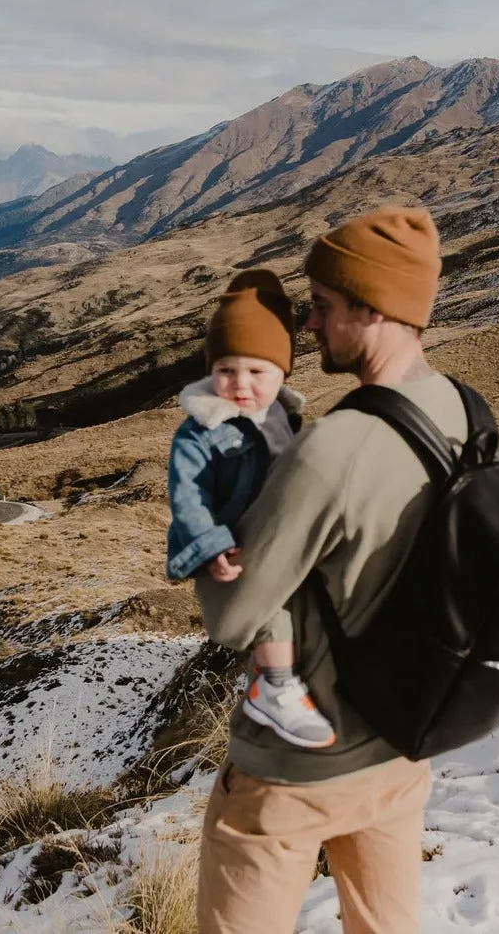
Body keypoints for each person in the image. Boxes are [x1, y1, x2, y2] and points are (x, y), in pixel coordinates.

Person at [195, 206, 463, 934]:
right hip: (399, 750)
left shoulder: (334, 447)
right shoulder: (460, 411)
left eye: (322, 306)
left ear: (372, 310)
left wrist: (212, 509)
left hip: (295, 770)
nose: (308, 326)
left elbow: (231, 615)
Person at [166, 268, 337, 749]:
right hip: (231, 548)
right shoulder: (200, 432)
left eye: (257, 371)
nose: (240, 384)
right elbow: (188, 497)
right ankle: (274, 688)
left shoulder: (283, 415)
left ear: (282, 371)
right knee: (272, 609)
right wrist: (209, 546)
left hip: (281, 533)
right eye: (225, 371)